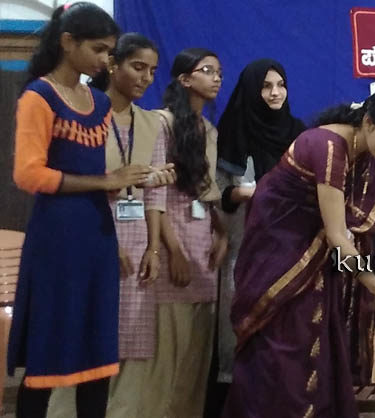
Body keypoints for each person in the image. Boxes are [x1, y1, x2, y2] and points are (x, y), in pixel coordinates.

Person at [224, 90, 375, 418]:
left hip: (313, 258)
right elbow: (336, 234)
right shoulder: (329, 148)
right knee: (283, 351)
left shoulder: (357, 148)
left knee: (316, 342)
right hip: (279, 259)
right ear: (368, 122)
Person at [7, 3, 146, 418]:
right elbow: (28, 174)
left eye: (109, 52)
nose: (106, 60)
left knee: (97, 346)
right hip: (56, 237)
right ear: (68, 42)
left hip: (97, 234)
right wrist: (104, 181)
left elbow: (95, 173)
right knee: (48, 349)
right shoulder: (38, 97)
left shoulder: (98, 103)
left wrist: (128, 181)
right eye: (98, 49)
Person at [45, 32, 171, 418]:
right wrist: (107, 245)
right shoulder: (85, 115)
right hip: (91, 238)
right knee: (86, 341)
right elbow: (76, 185)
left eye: (152, 71)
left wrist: (154, 248)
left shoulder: (152, 123)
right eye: (138, 67)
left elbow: (155, 194)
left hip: (139, 246)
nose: (146, 77)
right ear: (113, 65)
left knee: (133, 343)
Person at [205, 58, 306, 417]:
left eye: (280, 85)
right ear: (250, 90)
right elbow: (215, 192)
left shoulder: (299, 133)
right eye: (265, 86)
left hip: (289, 249)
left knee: (284, 335)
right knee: (239, 331)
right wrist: (245, 192)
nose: (275, 93)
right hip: (244, 246)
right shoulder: (232, 132)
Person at [143, 47, 228, 418]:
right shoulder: (160, 123)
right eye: (207, 70)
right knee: (167, 358)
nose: (216, 78)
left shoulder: (208, 129)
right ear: (184, 78)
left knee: (196, 358)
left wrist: (222, 233)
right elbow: (154, 193)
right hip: (171, 244)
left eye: (219, 72)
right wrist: (171, 250)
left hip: (203, 248)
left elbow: (207, 193)